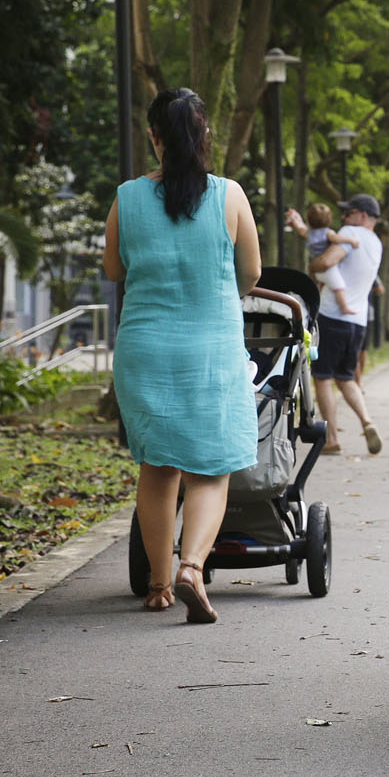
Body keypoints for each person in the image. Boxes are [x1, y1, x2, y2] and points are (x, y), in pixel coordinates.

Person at [103, 87, 261, 624]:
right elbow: (253, 273)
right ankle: (193, 564)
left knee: (158, 467)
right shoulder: (229, 195)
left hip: (144, 348)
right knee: (210, 470)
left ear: (155, 138)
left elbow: (114, 270)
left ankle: (158, 582)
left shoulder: (125, 198)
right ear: (204, 135)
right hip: (212, 347)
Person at [308, 193, 385, 456]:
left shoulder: (351, 232)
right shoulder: (376, 243)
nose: (343, 217)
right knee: (346, 377)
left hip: (331, 316)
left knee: (322, 378)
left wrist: (313, 264)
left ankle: (331, 439)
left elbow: (327, 261)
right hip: (358, 321)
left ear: (362, 215)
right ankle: (367, 421)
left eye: (348, 212)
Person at [285, 203, 362, 315]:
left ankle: (315, 305)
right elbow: (336, 239)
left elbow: (300, 227)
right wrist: (351, 240)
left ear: (309, 219)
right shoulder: (328, 233)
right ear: (329, 219)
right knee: (340, 287)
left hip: (316, 268)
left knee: (321, 287)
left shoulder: (308, 233)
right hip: (328, 269)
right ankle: (344, 307)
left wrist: (294, 219)